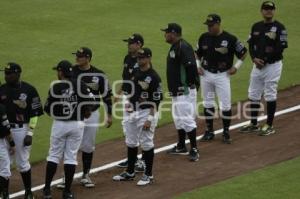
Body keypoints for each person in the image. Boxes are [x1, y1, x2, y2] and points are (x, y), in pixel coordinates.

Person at [56, 47, 113, 189]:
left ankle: (85, 175)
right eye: (77, 55)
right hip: (75, 115)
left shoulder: (99, 75)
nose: (77, 58)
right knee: (70, 145)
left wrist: (109, 114)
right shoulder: (72, 72)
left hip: (92, 114)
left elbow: (106, 96)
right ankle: (65, 177)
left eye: (80, 56)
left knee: (88, 145)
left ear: (88, 58)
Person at [43, 60, 95, 199]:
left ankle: (47, 189)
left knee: (54, 155)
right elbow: (92, 100)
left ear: (61, 72)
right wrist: (86, 110)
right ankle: (67, 192)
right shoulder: (80, 84)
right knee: (71, 157)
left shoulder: (56, 87)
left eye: (57, 71)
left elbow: (47, 108)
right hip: (77, 125)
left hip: (60, 124)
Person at [112, 47, 163, 186]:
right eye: (139, 58)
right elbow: (129, 90)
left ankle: (148, 175)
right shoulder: (135, 72)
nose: (140, 60)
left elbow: (157, 101)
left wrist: (150, 119)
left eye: (143, 57)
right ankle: (130, 172)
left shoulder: (154, 77)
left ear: (149, 58)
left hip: (146, 113)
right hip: (132, 112)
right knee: (131, 141)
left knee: (146, 143)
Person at [195, 14, 247, 144]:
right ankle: (209, 131)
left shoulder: (230, 39)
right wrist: (198, 66)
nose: (209, 28)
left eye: (211, 25)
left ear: (218, 24)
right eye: (208, 25)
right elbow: (196, 52)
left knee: (225, 104)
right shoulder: (203, 37)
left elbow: (243, 52)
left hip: (222, 76)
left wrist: (236, 67)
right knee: (208, 102)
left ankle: (226, 132)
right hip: (206, 74)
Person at [240, 1, 288, 136]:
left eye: (271, 9)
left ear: (274, 11)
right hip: (257, 65)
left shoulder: (279, 27)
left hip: (273, 65)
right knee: (253, 93)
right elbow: (251, 45)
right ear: (261, 11)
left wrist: (264, 60)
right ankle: (253, 123)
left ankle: (269, 125)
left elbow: (281, 47)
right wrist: (254, 59)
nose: (268, 11)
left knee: (270, 94)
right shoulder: (256, 26)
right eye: (266, 9)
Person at [0, 63, 44, 199]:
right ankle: (4, 194)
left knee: (22, 162)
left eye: (9, 73)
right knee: (3, 164)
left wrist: (30, 132)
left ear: (18, 74)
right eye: (5, 73)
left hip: (21, 130)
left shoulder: (29, 90)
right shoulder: (1, 89)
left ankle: (28, 192)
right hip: (2, 131)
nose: (6, 76)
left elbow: (34, 113)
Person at [161, 23, 200, 161]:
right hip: (176, 91)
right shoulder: (175, 47)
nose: (165, 34)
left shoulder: (183, 47)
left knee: (187, 119)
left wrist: (190, 85)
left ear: (174, 33)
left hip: (184, 90)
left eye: (166, 32)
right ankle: (182, 145)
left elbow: (191, 67)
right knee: (178, 118)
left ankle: (194, 149)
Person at [115, 33, 145, 172]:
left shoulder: (142, 61)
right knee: (127, 126)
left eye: (131, 43)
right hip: (127, 97)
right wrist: (118, 93)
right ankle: (132, 158)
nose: (128, 45)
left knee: (138, 127)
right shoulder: (127, 58)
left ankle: (142, 160)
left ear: (139, 45)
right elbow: (125, 78)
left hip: (136, 99)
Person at [0, 103, 15, 199]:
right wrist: (12, 144)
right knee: (5, 170)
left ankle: (5, 194)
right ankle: (5, 194)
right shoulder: (1, 107)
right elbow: (6, 128)